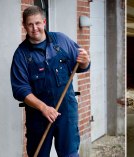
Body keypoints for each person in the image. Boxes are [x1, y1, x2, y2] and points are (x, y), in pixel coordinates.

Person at [10, 6, 90, 157]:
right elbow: (20, 90)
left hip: (66, 112)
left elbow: (81, 66)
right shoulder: (21, 54)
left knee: (70, 154)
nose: (35, 28)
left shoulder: (61, 40)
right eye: (30, 24)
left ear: (44, 22)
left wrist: (85, 60)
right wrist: (43, 108)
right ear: (24, 26)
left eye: (38, 23)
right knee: (39, 154)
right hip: (38, 116)